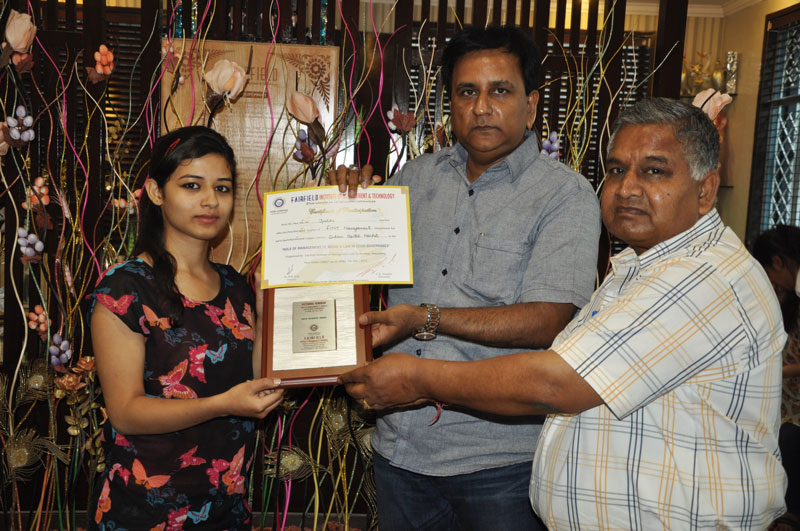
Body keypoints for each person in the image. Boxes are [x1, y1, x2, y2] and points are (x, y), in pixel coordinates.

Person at [342, 98, 788, 529]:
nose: (627, 188)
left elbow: (554, 382)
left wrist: (420, 378)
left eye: (654, 171)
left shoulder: (700, 276)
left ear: (706, 190)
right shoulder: (642, 265)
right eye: (617, 170)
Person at [355, 25, 601, 531]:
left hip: (499, 465)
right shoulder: (413, 179)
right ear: (451, 104)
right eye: (467, 92)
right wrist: (343, 203)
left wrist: (425, 319)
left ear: (531, 106)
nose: (482, 107)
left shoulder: (565, 196)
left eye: (500, 91)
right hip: (398, 447)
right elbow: (351, 269)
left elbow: (548, 320)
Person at [87, 126, 368, 529]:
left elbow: (259, 376)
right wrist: (224, 404)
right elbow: (126, 413)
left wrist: (270, 306)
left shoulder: (235, 285)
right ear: (155, 192)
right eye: (191, 185)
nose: (210, 200)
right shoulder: (125, 289)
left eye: (222, 188)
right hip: (146, 509)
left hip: (227, 505)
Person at [753, 225, 800, 528]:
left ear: (778, 262)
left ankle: (787, 513)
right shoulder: (790, 294)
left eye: (769, 273)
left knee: (786, 438)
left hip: (793, 401)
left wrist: (777, 372)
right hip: (784, 397)